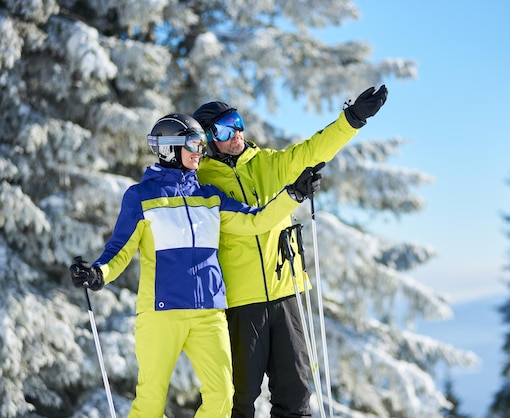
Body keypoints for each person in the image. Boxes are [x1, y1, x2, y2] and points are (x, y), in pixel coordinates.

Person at [69, 113, 324, 418]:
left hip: (208, 313)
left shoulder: (210, 197)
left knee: (222, 398)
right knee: (150, 399)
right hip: (162, 312)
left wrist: (293, 195)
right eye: (193, 143)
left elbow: (257, 220)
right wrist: (99, 273)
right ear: (168, 148)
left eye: (202, 144)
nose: (200, 151)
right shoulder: (142, 197)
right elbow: (119, 249)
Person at [192, 85, 388, 418]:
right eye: (224, 129)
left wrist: (352, 119)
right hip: (240, 303)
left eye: (237, 122)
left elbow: (313, 150)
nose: (236, 133)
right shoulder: (202, 181)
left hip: (285, 292)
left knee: (295, 392)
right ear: (208, 140)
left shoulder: (268, 163)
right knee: (238, 399)